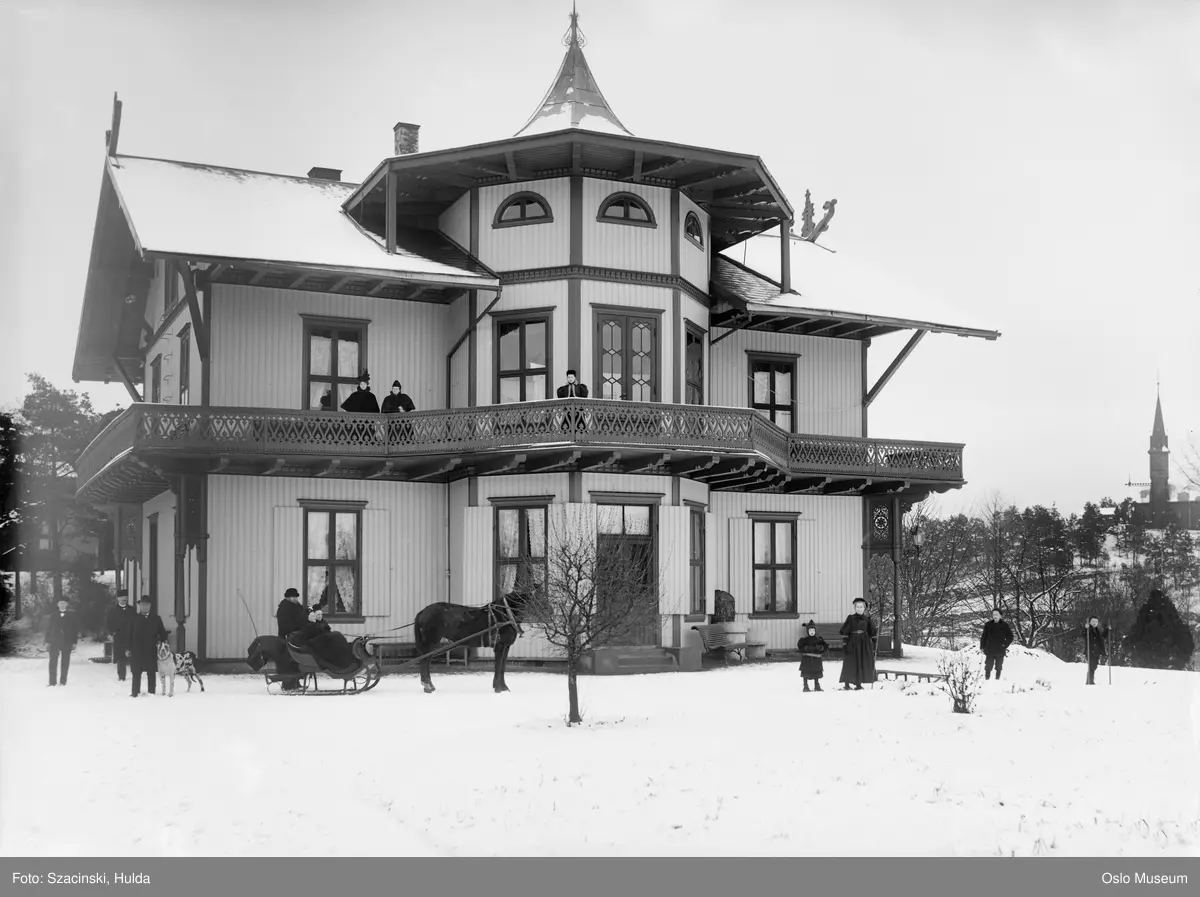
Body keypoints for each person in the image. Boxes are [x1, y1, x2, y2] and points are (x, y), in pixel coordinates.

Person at [124, 595, 168, 697]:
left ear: (150, 606)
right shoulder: (134, 619)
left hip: (150, 649)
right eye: (143, 605)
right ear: (140, 606)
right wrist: (128, 648)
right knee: (136, 672)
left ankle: (151, 692)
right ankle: (135, 692)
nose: (145, 607)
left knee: (151, 672)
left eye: (147, 605)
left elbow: (162, 633)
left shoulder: (156, 619)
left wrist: (163, 643)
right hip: (136, 649)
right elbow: (129, 634)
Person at [289, 605, 357, 670]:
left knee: (337, 637)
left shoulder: (318, 624)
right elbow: (307, 636)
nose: (314, 617)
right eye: (312, 616)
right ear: (307, 617)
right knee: (336, 636)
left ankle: (348, 655)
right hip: (315, 645)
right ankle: (343, 661)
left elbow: (323, 631)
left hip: (322, 641)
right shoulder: (307, 626)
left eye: (314, 616)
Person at [838, 598, 877, 690]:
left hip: (863, 643)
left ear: (864, 608)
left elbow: (872, 632)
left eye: (861, 607)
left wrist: (874, 643)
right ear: (855, 608)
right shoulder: (851, 618)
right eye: (857, 607)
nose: (859, 609)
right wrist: (845, 643)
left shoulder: (867, 619)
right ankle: (847, 683)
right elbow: (845, 631)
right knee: (850, 662)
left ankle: (858, 683)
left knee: (861, 661)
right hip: (852, 642)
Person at [275, 587, 308, 692]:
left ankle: (296, 680)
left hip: (298, 637)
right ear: (288, 598)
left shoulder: (297, 606)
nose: (295, 599)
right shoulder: (284, 608)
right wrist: (295, 630)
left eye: (296, 597)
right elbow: (285, 624)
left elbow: (302, 618)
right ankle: (288, 683)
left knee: (297, 660)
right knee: (288, 660)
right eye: (293, 597)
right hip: (288, 637)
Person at [44, 598, 78, 687]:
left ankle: (63, 681)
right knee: (52, 661)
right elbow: (48, 629)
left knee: (65, 661)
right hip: (54, 640)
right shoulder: (53, 615)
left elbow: (75, 630)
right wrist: (47, 641)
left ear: (67, 604)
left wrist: (74, 642)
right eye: (60, 603)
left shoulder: (72, 615)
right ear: (58, 604)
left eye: (64, 603)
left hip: (67, 641)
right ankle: (52, 682)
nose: (62, 605)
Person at [105, 589, 136, 682]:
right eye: (122, 597)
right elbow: (108, 623)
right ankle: (121, 676)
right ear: (118, 598)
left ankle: (135, 674)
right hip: (118, 636)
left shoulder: (132, 610)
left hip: (130, 635)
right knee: (120, 656)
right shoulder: (112, 610)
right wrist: (110, 633)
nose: (124, 599)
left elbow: (136, 622)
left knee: (132, 655)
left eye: (126, 597)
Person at [979, 608, 1014, 680]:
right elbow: (984, 636)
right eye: (993, 614)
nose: (995, 616)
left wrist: (1005, 645)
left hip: (1000, 649)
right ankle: (987, 679)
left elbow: (1010, 637)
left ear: (1000, 616)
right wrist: (982, 647)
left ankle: (997, 680)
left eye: (996, 614)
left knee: (999, 666)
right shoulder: (988, 625)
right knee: (988, 666)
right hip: (989, 649)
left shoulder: (1004, 625)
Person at [796, 620, 828, 692]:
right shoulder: (804, 640)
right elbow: (800, 647)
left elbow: (825, 646)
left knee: (816, 673)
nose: (812, 632)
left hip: (816, 660)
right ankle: (805, 686)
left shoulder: (819, 639)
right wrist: (806, 648)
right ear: (808, 631)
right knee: (806, 673)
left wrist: (820, 648)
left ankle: (817, 686)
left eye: (813, 630)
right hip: (807, 660)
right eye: (810, 630)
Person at [1079, 616, 1109, 685]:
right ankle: (1089, 681)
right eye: (1093, 621)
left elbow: (1102, 637)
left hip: (1096, 652)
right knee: (1092, 666)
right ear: (1089, 622)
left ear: (1098, 623)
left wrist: (1107, 630)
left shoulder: (1098, 630)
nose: (1094, 623)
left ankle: (1090, 680)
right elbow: (1083, 634)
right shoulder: (1088, 629)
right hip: (1090, 651)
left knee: (1094, 666)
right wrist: (1085, 628)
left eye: (1096, 621)